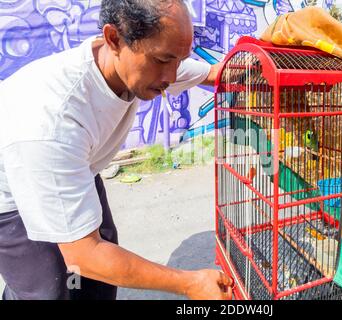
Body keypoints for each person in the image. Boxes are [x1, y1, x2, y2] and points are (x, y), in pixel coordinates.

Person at [0, 0, 232, 300]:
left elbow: (213, 73)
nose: (172, 76)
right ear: (114, 39)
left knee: (98, 285)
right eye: (163, 60)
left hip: (77, 169)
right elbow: (85, 253)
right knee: (52, 290)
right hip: (12, 200)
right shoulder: (53, 119)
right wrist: (187, 282)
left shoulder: (136, 64)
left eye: (179, 59)